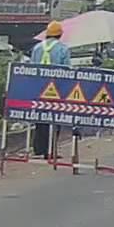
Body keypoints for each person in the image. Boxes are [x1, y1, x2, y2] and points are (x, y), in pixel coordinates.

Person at [28, 21, 72, 157]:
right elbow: (67, 71)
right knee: (54, 119)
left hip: (38, 89)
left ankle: (38, 149)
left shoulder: (37, 48)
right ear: (60, 35)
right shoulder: (63, 49)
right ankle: (50, 151)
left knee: (40, 118)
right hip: (56, 89)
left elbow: (31, 68)